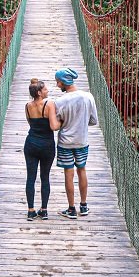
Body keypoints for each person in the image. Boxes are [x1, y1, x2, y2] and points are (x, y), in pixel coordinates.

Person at [52, 67, 98, 219]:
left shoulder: (59, 101)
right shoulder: (88, 96)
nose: (57, 85)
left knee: (68, 174)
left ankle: (71, 209)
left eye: (58, 82)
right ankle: (83, 206)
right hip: (82, 141)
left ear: (64, 82)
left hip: (65, 143)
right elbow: (93, 121)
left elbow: (58, 122)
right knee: (82, 170)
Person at [23, 78, 60, 220]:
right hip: (47, 146)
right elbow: (53, 126)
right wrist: (63, 122)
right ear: (39, 92)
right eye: (45, 89)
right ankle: (44, 210)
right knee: (45, 177)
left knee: (30, 178)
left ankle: (31, 210)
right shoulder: (49, 104)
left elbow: (30, 124)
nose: (47, 91)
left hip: (31, 144)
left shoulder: (27, 106)